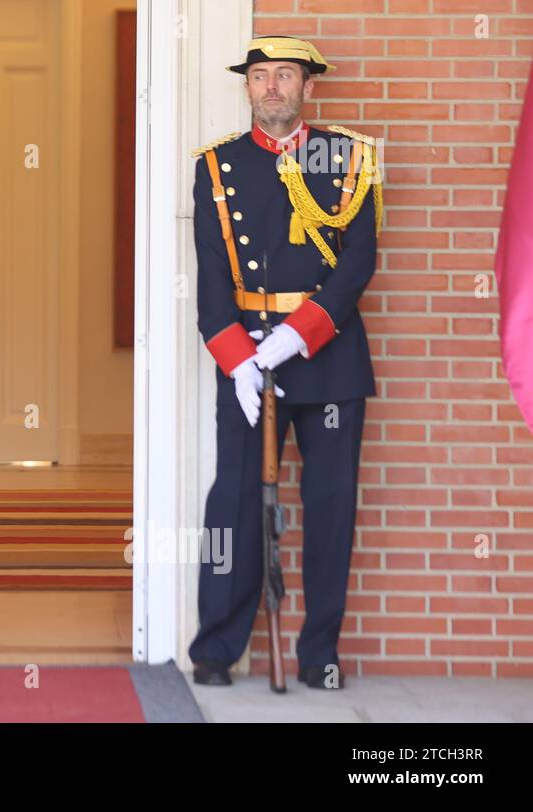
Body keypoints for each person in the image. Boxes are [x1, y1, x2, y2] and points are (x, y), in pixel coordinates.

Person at [187, 36, 383, 689]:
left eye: (286, 76)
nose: (272, 87)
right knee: (235, 504)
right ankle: (216, 647)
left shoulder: (347, 155)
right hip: (248, 362)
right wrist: (240, 359)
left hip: (324, 356)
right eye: (261, 76)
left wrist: (297, 336)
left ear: (308, 86)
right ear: (247, 86)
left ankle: (319, 653)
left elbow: (359, 261)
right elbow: (211, 274)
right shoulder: (218, 165)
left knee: (329, 508)